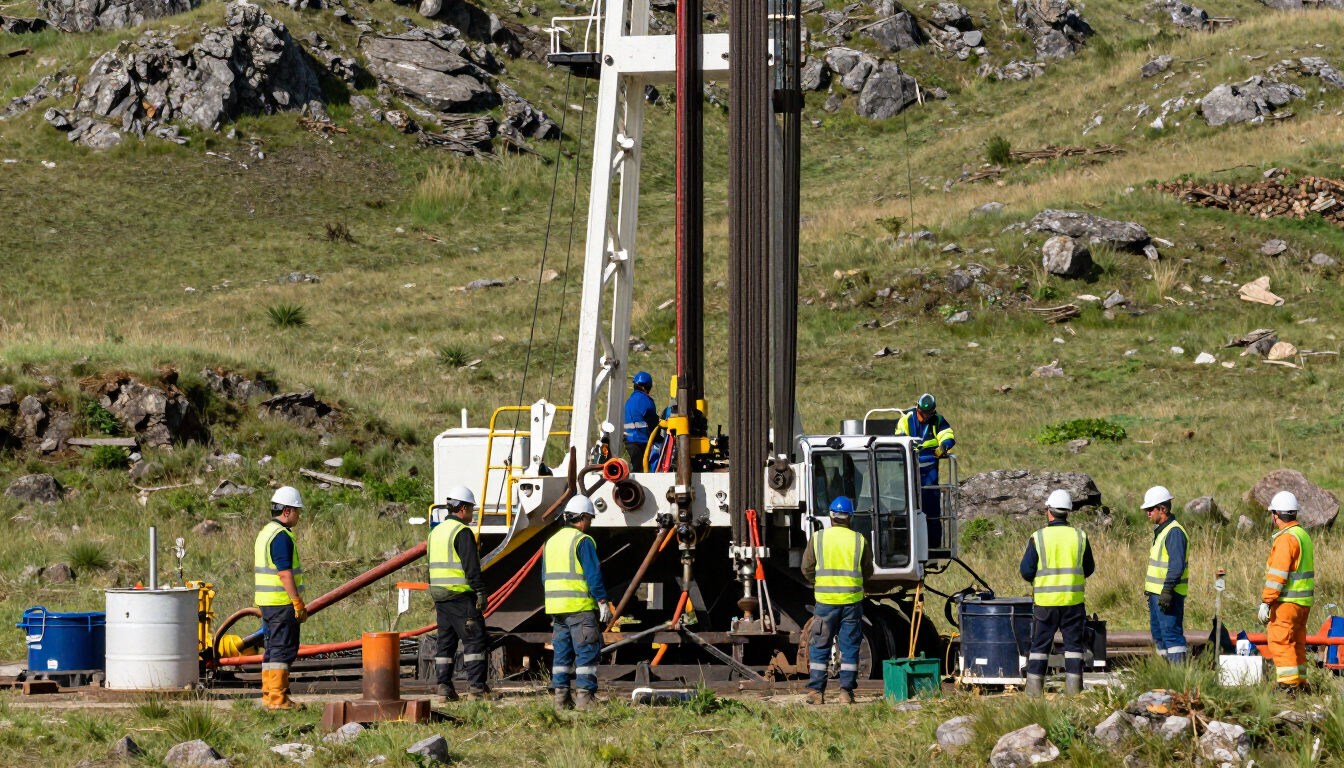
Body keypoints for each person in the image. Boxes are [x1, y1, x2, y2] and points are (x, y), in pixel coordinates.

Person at [1019, 489, 1094, 697]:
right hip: (1073, 601)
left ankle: (1034, 694)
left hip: (1046, 603)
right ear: (1068, 512)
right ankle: (1074, 693)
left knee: (1040, 648)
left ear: (1049, 510)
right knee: (1073, 647)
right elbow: (1089, 568)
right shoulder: (1080, 537)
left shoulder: (1039, 537)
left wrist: (1040, 581)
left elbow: (1026, 571)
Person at [800, 497, 873, 706]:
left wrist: (819, 582)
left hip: (825, 602)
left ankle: (816, 692)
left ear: (831, 516)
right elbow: (868, 570)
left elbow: (806, 568)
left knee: (820, 645)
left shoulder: (818, 538)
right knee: (850, 646)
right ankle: (845, 693)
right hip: (852, 602)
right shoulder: (859, 540)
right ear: (850, 517)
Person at [544, 496, 612, 710]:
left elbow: (544, 577)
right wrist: (602, 601)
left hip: (556, 610)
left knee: (562, 656)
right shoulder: (582, 541)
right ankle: (585, 700)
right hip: (580, 608)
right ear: (582, 519)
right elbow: (593, 575)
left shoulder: (551, 541)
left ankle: (560, 701)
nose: (590, 523)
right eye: (590, 519)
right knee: (586, 653)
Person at [428, 485, 491, 702]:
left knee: (445, 643)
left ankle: (443, 688)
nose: (472, 513)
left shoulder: (435, 532)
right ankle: (476, 690)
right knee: (474, 640)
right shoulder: (462, 532)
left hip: (440, 597)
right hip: (460, 595)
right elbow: (471, 567)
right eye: (471, 508)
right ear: (463, 508)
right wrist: (481, 592)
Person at [254, 486, 307, 710]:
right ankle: (277, 699)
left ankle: (270, 696)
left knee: (272, 649)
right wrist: (297, 601)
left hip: (268, 604)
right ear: (286, 511)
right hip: (281, 604)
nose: (298, 516)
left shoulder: (265, 532)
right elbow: (284, 572)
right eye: (296, 511)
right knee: (282, 650)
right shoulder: (281, 536)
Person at [1259, 491, 1314, 691]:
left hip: (1286, 603)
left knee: (1281, 642)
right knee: (1297, 643)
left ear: (1276, 514)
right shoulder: (1302, 536)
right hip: (1303, 604)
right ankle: (1300, 684)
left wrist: (1266, 601)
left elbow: (1277, 576)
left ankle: (1287, 686)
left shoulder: (1286, 539)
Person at [894, 393, 954, 548]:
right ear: (917, 408)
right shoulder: (906, 420)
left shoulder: (938, 420)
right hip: (908, 470)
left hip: (929, 471)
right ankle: (905, 545)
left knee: (931, 509)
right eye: (922, 413)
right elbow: (899, 438)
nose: (924, 417)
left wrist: (944, 446)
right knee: (906, 507)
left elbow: (947, 434)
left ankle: (932, 545)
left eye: (928, 414)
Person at [1141, 486, 1190, 663]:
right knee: (1160, 636)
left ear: (1163, 509)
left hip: (1169, 595)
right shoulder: (1163, 531)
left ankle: (1177, 681)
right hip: (1158, 595)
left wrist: (1167, 590)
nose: (1147, 513)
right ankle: (1164, 677)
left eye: (1150, 509)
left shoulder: (1174, 532)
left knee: (1171, 636)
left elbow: (1176, 566)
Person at [623, 371, 659, 471]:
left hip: (629, 441)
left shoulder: (629, 400)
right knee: (640, 472)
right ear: (647, 387)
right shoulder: (646, 400)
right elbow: (653, 423)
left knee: (635, 469)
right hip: (640, 442)